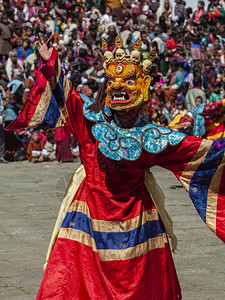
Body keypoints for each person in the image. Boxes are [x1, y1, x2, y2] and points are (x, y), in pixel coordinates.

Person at [6, 34, 225, 300]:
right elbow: (65, 94)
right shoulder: (89, 120)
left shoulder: (153, 136)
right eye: (112, 80)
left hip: (137, 224)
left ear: (143, 86)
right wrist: (51, 62)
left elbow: (203, 154)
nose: (118, 85)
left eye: (129, 80)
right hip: (88, 218)